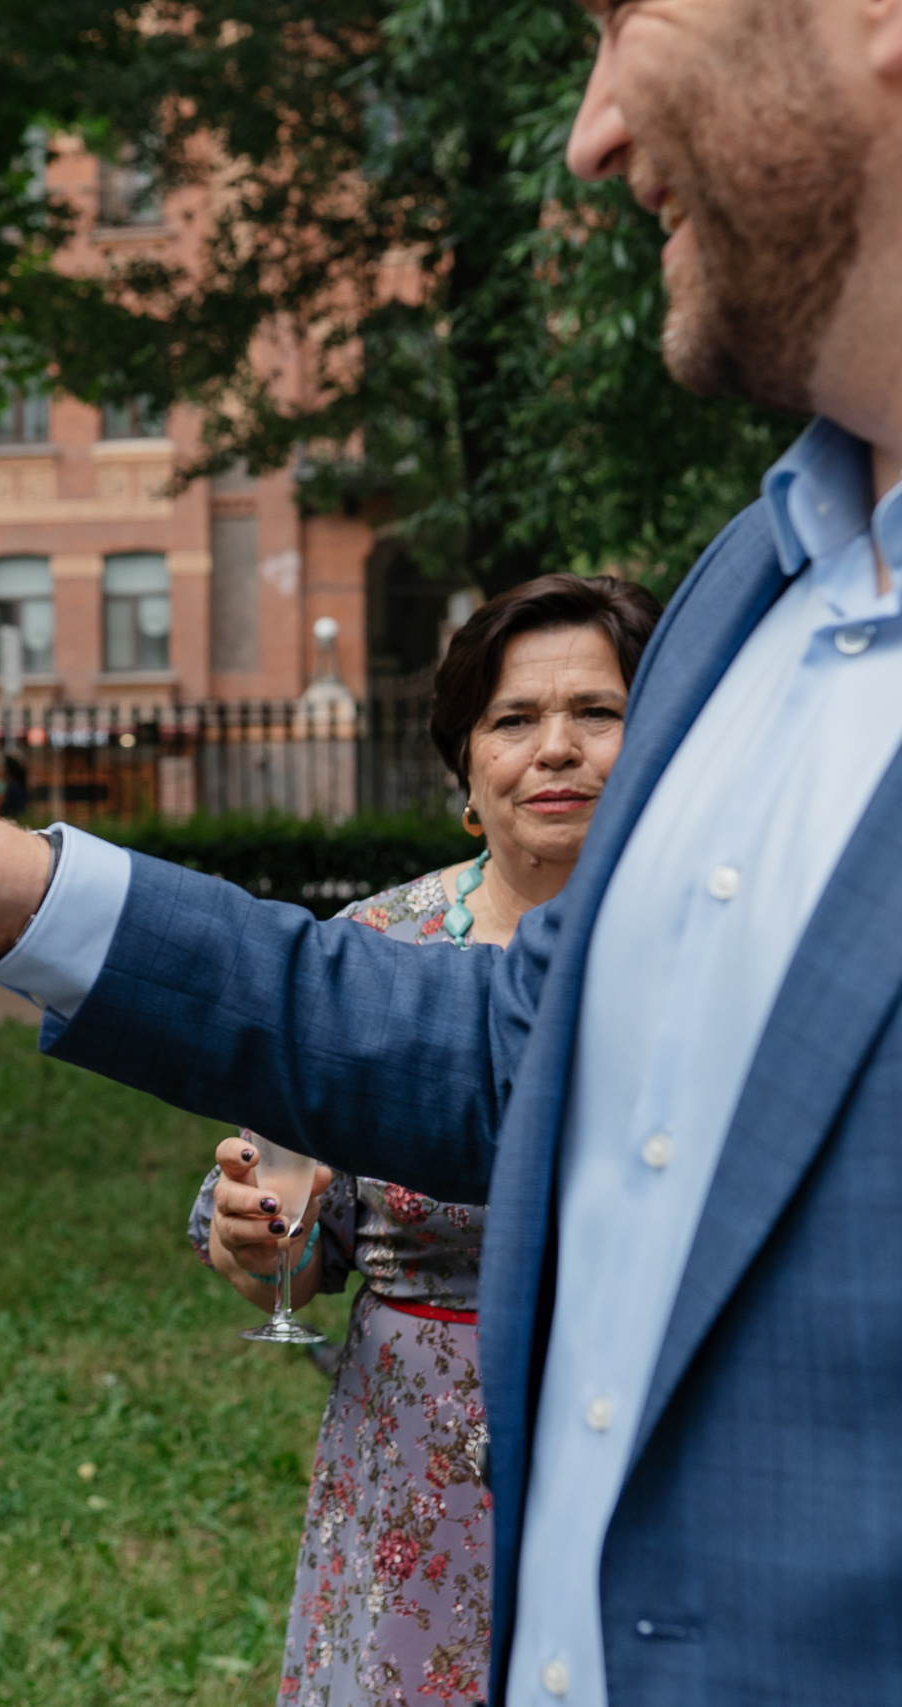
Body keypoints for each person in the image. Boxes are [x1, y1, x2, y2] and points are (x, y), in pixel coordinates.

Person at [0, 3, 902, 1695]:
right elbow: (525, 1049)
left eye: (624, 20)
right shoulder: (754, 587)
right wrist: (16, 893)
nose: (591, 130)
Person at [193, 575, 658, 1707]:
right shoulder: (374, 951)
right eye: (512, 721)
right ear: (467, 767)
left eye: (596, 712)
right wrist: (264, 1252)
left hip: (653, 1442)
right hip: (416, 1476)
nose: (555, 749)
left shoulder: (717, 943)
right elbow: (300, 1249)